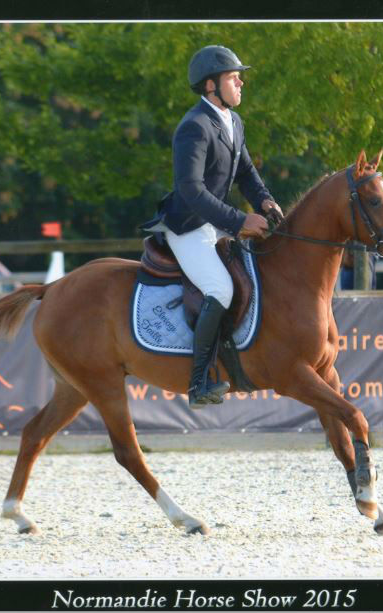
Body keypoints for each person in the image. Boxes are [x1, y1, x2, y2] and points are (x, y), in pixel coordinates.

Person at [140, 45, 282, 407]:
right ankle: (199, 382)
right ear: (210, 86)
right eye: (234, 78)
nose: (241, 83)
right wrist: (238, 221)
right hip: (188, 225)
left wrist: (265, 200)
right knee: (220, 289)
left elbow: (247, 173)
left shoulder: (233, 122)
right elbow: (190, 191)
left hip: (216, 223)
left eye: (239, 77)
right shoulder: (194, 126)